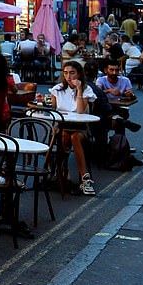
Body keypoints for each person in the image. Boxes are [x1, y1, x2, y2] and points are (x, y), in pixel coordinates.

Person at [50, 61, 98, 196]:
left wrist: (80, 90)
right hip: (63, 126)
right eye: (65, 73)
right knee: (65, 135)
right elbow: (53, 110)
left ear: (79, 74)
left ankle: (84, 178)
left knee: (75, 137)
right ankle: (63, 172)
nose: (68, 76)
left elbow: (80, 111)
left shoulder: (87, 90)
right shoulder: (57, 89)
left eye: (72, 73)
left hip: (80, 127)